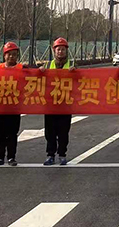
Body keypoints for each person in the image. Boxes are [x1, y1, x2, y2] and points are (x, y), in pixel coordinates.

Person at [42, 37, 74, 166]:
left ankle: (62, 155)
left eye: (62, 49)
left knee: (63, 132)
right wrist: (40, 72)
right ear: (54, 51)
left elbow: (81, 81)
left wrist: (75, 73)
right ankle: (50, 155)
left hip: (65, 105)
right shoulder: (47, 65)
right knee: (50, 132)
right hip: (50, 105)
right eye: (58, 49)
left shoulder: (72, 65)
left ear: (66, 51)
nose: (60, 52)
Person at [0, 42, 23, 166]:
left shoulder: (22, 69)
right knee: (0, 134)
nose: (11, 57)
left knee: (12, 134)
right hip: (0, 107)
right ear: (4, 55)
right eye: (9, 54)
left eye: (14, 54)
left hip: (14, 107)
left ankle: (11, 157)